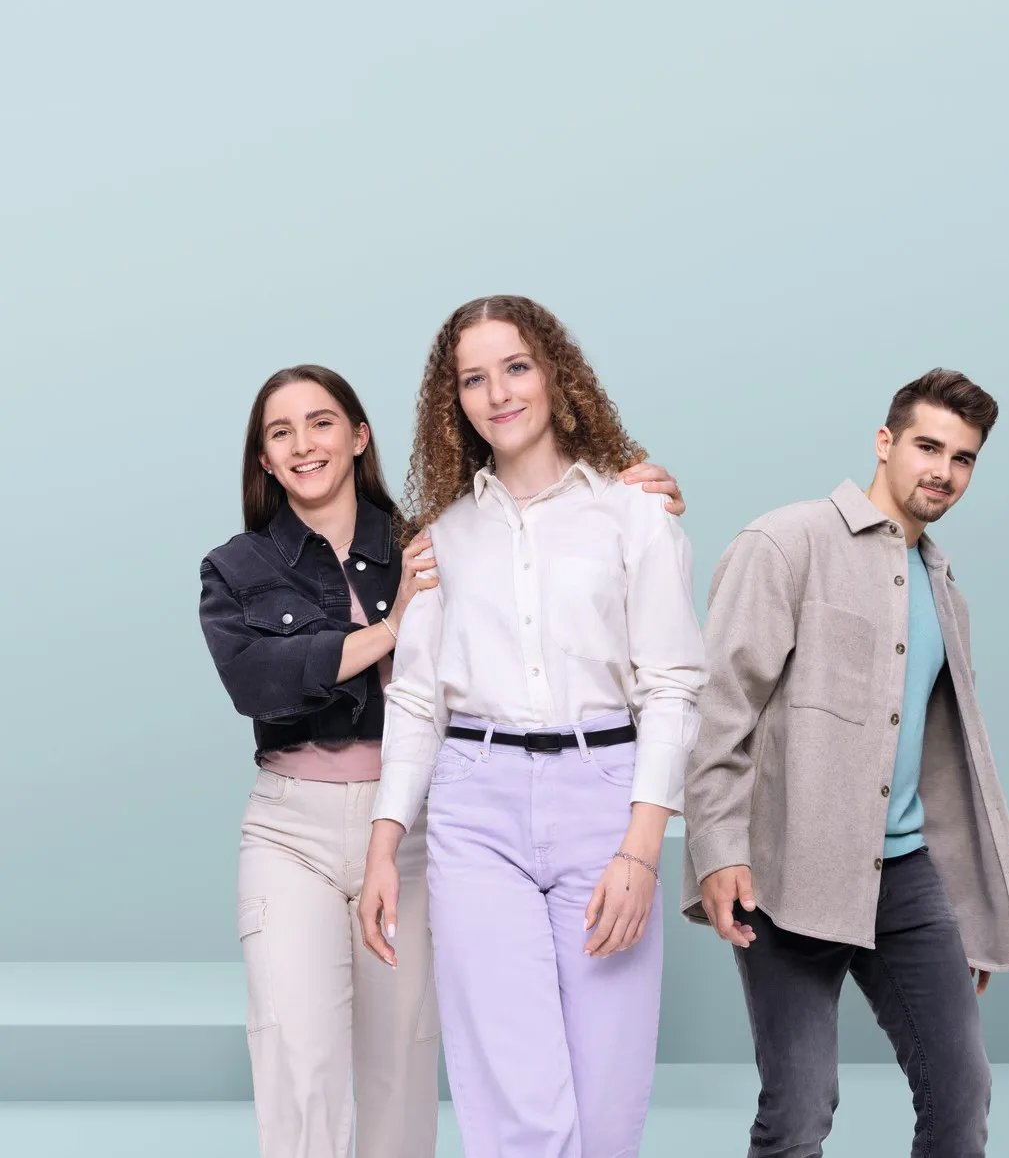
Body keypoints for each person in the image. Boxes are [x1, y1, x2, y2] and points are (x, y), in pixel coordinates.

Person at [198, 362, 687, 1158]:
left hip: (421, 821)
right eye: (280, 433)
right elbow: (258, 683)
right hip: (292, 829)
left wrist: (634, 503)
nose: (302, 444)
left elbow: (536, 571)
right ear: (264, 459)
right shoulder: (236, 566)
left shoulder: (431, 537)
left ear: (359, 436)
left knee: (403, 1059)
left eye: (321, 423)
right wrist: (390, 630)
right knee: (298, 1055)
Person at [358, 296, 707, 1158]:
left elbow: (672, 685)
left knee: (606, 1106)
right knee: (518, 1105)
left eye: (515, 367)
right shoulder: (441, 537)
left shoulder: (634, 512)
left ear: (555, 373)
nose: (498, 393)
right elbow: (415, 701)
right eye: (472, 378)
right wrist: (383, 841)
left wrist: (641, 849)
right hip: (475, 807)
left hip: (606, 801)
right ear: (453, 401)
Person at [682, 368, 1009, 1157]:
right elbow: (719, 708)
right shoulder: (785, 542)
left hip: (906, 876)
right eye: (926, 446)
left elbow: (941, 762)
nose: (942, 471)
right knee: (799, 1108)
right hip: (788, 871)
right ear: (884, 443)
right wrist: (716, 849)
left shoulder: (942, 587)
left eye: (962, 457)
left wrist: (968, 910)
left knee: (960, 1094)